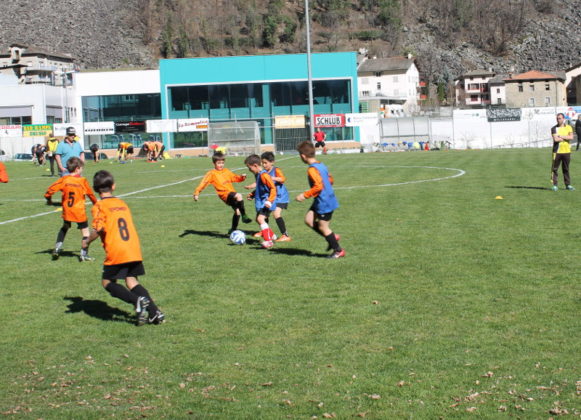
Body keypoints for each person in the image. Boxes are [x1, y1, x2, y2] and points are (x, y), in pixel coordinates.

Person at [87, 170, 165, 326]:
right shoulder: (122, 204)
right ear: (113, 186)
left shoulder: (99, 205)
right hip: (133, 248)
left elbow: (99, 228)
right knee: (131, 280)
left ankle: (137, 301)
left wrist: (86, 241)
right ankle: (155, 313)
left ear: (95, 189)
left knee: (107, 282)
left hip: (117, 250)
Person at [295, 140, 344, 259]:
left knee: (323, 227)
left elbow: (318, 186)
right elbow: (331, 179)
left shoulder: (312, 169)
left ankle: (338, 250)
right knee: (309, 220)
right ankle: (332, 237)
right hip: (323, 199)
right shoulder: (321, 164)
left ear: (303, 156)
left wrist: (304, 195)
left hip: (324, 201)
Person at [44, 157, 98, 262]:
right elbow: (91, 194)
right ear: (77, 168)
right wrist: (96, 204)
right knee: (85, 232)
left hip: (67, 210)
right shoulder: (82, 181)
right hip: (79, 211)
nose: (82, 170)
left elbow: (50, 189)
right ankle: (84, 254)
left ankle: (57, 248)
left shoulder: (64, 179)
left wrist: (48, 199)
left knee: (65, 227)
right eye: (82, 168)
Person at [193, 151, 252, 234]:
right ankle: (244, 216)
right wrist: (197, 192)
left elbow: (235, 178)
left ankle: (233, 229)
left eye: (222, 163)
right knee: (239, 196)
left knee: (237, 211)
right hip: (224, 195)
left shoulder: (226, 171)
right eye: (219, 163)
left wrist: (242, 177)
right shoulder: (212, 173)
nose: (221, 165)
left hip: (231, 193)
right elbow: (203, 183)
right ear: (214, 163)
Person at [246, 151, 291, 242]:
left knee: (276, 214)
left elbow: (283, 179)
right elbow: (261, 186)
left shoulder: (275, 170)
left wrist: (272, 178)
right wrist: (253, 193)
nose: (264, 165)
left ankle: (285, 235)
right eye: (262, 163)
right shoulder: (263, 173)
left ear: (272, 162)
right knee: (260, 216)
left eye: (265, 163)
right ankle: (267, 232)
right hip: (271, 196)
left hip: (281, 196)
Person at [244, 154, 278, 249]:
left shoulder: (264, 175)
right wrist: (253, 194)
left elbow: (273, 188)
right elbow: (261, 188)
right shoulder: (258, 175)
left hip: (267, 203)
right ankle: (272, 236)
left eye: (249, 168)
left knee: (260, 219)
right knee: (258, 219)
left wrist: (269, 201)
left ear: (255, 165)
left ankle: (268, 241)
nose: (249, 170)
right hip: (261, 203)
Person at [550, 113, 574, 191]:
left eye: (560, 118)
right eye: (557, 118)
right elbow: (556, 139)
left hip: (567, 151)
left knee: (566, 169)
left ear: (563, 119)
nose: (558, 120)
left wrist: (561, 136)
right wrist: (566, 137)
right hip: (557, 151)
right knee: (555, 169)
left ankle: (568, 185)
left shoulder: (569, 127)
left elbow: (571, 137)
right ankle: (555, 185)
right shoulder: (554, 128)